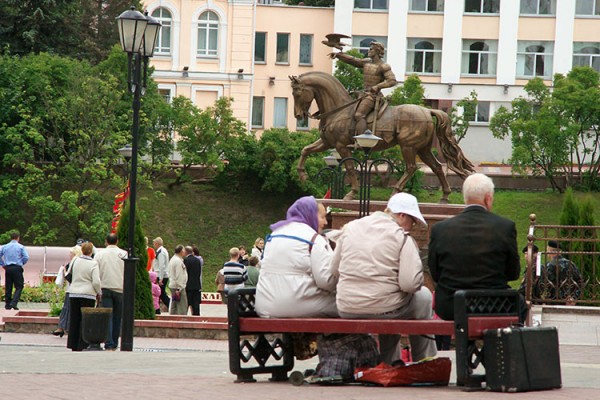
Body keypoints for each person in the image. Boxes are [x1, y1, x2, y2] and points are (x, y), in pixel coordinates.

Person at [331, 193, 437, 363]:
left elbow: (334, 270)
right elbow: (410, 284)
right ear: (402, 215)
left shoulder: (350, 228)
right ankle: (424, 361)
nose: (413, 226)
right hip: (387, 308)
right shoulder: (401, 237)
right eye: (413, 221)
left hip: (347, 307)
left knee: (391, 301)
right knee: (422, 296)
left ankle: (390, 362)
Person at [428, 173, 523, 322]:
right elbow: (513, 273)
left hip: (451, 306)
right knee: (521, 305)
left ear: (465, 198)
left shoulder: (440, 229)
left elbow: (435, 274)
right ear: (488, 198)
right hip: (495, 305)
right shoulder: (505, 227)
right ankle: (494, 345)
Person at [255, 196, 337, 318]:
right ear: (310, 215)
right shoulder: (314, 239)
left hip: (264, 306)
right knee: (349, 305)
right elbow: (326, 281)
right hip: (296, 306)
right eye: (322, 217)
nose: (325, 222)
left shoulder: (275, 234)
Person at [329, 41, 397, 136]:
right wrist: (338, 55)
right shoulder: (366, 62)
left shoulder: (383, 66)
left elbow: (392, 80)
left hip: (373, 96)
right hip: (363, 95)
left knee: (359, 115)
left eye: (371, 49)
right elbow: (353, 60)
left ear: (377, 51)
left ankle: (363, 140)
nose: (368, 51)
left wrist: (377, 86)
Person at [67, 242, 101, 351]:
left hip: (74, 293)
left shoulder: (75, 260)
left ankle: (73, 343)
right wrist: (98, 292)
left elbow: (68, 274)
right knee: (85, 320)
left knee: (74, 319)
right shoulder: (93, 263)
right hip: (88, 294)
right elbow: (96, 281)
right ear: (91, 251)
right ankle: (83, 343)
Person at [95, 233, 127, 351]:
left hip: (105, 287)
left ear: (106, 241)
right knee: (118, 317)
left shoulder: (100, 254)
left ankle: (108, 342)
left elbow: (96, 272)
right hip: (119, 288)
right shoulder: (124, 254)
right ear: (117, 241)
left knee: (108, 316)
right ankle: (114, 342)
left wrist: (98, 290)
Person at [52, 245, 83, 337]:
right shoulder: (77, 262)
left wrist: (64, 271)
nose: (69, 254)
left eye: (71, 253)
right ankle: (63, 328)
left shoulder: (73, 263)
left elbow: (70, 277)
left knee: (67, 309)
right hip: (73, 290)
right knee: (67, 309)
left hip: (71, 290)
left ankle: (63, 328)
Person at [0, 231, 30, 310]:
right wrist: (22, 263)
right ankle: (14, 302)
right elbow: (26, 257)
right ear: (18, 238)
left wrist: (3, 264)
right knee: (19, 286)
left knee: (8, 286)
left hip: (8, 268)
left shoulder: (5, 247)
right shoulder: (20, 247)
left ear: (11, 238)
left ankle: (7, 304)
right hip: (17, 267)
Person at [168, 245, 188, 315]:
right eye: (184, 250)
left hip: (173, 284)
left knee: (174, 306)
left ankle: (172, 319)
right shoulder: (178, 261)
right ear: (181, 251)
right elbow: (179, 275)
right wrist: (179, 288)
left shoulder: (173, 259)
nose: (185, 252)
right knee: (182, 306)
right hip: (178, 286)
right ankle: (182, 321)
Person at [184, 246, 202, 316]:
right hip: (197, 285)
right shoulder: (198, 260)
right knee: (196, 304)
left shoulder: (186, 260)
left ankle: (184, 317)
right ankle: (196, 317)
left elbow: (185, 273)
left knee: (187, 303)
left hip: (188, 285)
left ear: (186, 252)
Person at [153, 237, 170, 310]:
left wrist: (160, 278)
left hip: (161, 275)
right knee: (161, 293)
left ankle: (170, 306)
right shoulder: (163, 250)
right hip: (162, 275)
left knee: (161, 293)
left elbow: (161, 265)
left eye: (154, 243)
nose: (153, 245)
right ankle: (158, 308)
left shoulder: (160, 252)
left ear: (157, 244)